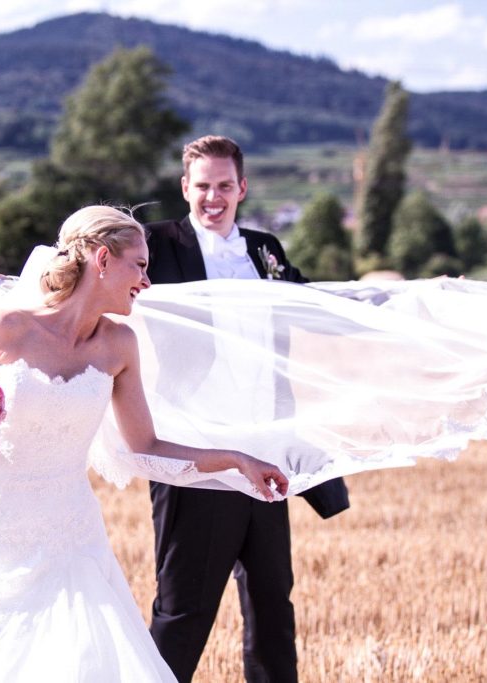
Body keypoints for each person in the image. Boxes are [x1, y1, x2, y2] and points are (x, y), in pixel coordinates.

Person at [0, 206, 289, 682]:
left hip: (70, 534)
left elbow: (146, 446)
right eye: (141, 265)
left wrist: (234, 460)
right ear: (104, 259)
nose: (147, 282)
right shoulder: (9, 326)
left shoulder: (120, 345)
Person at [143, 135, 349, 683]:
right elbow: (83, 274)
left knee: (272, 603)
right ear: (185, 188)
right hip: (198, 453)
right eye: (203, 186)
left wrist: (401, 304)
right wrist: (14, 289)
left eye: (225, 186)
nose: (214, 197)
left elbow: (311, 301)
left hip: (264, 450)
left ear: (243, 187)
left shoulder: (265, 249)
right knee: (184, 608)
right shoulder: (154, 244)